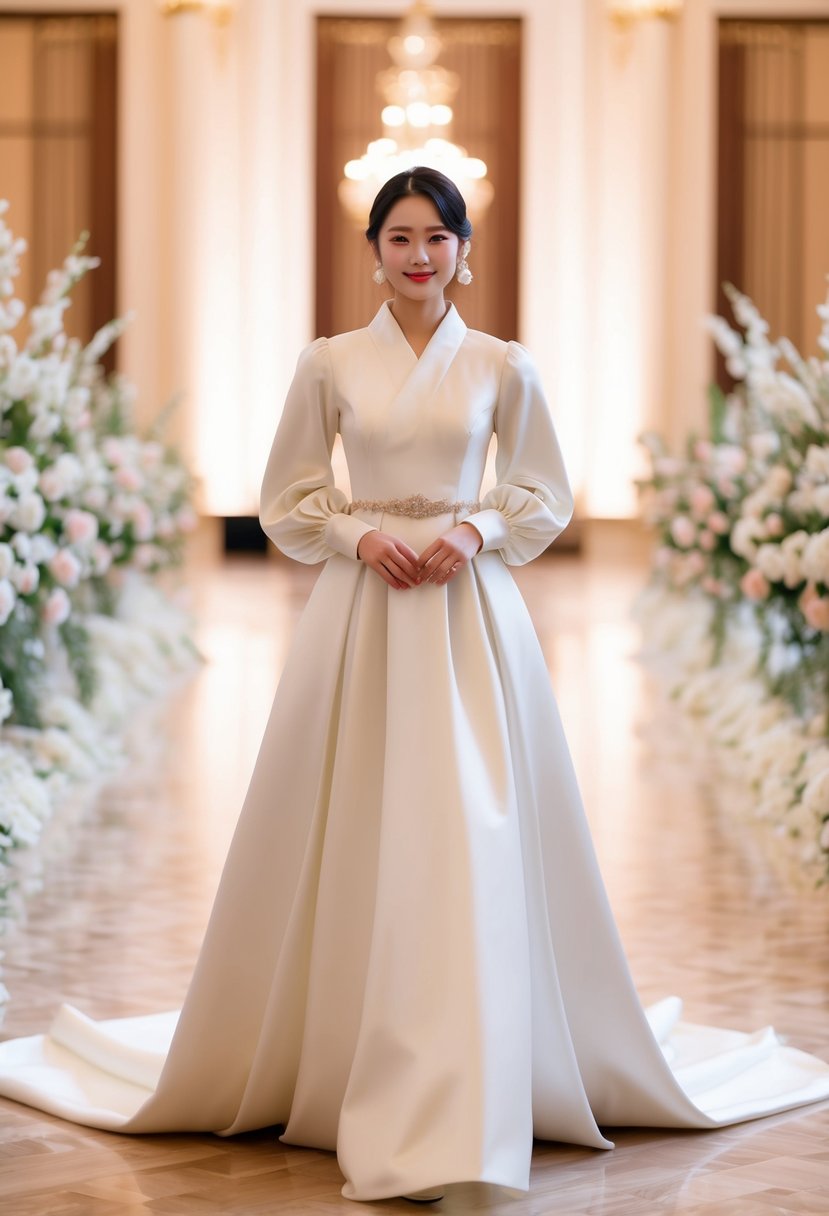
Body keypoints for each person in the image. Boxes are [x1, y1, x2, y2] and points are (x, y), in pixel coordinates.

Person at [0, 167, 828, 1206]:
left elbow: (545, 489)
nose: (418, 254)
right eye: (399, 236)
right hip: (360, 608)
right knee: (351, 815)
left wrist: (475, 529)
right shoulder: (329, 362)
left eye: (436, 236)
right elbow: (286, 497)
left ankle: (476, 1051)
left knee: (471, 822)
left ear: (462, 248)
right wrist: (358, 533)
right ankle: (342, 1048)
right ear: (375, 251)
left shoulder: (499, 362)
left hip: (471, 614)